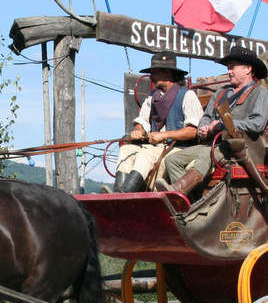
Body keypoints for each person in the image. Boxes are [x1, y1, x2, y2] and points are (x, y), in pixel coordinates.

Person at [156, 47, 268, 196]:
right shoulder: (221, 93)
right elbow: (206, 117)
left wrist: (225, 125)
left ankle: (178, 191)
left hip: (241, 148)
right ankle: (189, 201)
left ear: (248, 69)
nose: (229, 72)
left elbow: (257, 123)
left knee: (207, 155)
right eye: (228, 68)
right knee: (172, 160)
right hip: (215, 144)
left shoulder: (261, 93)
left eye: (232, 67)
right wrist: (204, 127)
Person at [113, 51, 203, 192]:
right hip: (155, 147)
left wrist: (164, 135)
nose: (151, 76)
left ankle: (127, 194)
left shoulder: (187, 95)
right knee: (126, 149)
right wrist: (138, 130)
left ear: (168, 73)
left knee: (145, 155)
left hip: (179, 149)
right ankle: (117, 194)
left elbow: (193, 131)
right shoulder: (152, 97)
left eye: (154, 72)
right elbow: (142, 121)